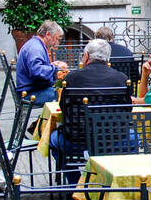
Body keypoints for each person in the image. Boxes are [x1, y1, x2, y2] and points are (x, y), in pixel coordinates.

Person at [50, 39, 130, 172]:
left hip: (77, 141)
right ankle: (118, 179)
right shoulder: (121, 78)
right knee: (135, 138)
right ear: (108, 58)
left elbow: (64, 107)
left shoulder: (72, 78)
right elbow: (127, 110)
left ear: (86, 56)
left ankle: (75, 184)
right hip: (114, 140)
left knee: (53, 140)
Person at [15, 20, 68, 105]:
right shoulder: (36, 48)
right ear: (48, 34)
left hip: (31, 90)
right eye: (57, 38)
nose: (57, 43)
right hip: (30, 93)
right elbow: (37, 72)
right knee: (66, 95)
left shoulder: (35, 44)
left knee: (63, 91)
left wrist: (52, 66)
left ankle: (50, 118)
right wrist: (55, 68)